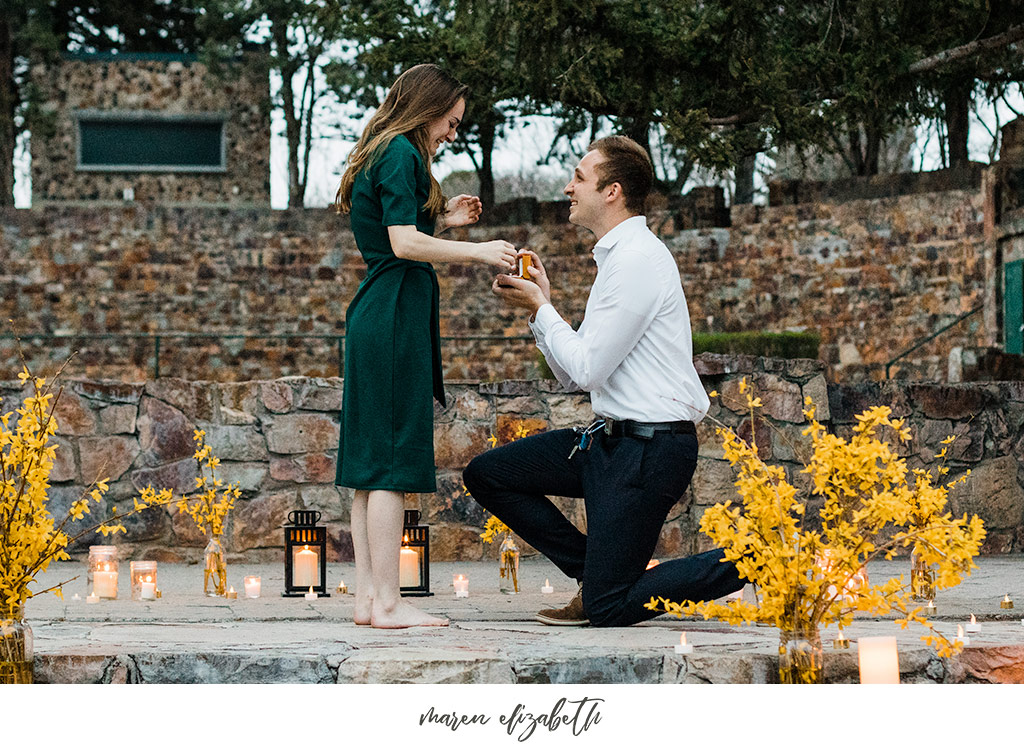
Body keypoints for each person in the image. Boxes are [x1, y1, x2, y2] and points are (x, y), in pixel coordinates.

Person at [463, 135, 744, 628]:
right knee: (490, 474)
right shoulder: (617, 258)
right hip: (608, 444)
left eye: (580, 178)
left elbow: (589, 370)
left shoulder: (637, 260)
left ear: (612, 191)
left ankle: (747, 561)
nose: (569, 187)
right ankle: (596, 574)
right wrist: (541, 309)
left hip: (649, 451)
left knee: (610, 609)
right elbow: (576, 372)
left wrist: (542, 308)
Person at [334, 64, 517, 629]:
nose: (452, 133)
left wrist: (443, 216)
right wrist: (482, 250)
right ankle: (389, 602)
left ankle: (369, 599)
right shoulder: (402, 153)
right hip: (393, 313)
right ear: (427, 107)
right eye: (451, 121)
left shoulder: (382, 151)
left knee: (370, 465)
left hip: (379, 310)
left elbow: (401, 226)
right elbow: (403, 242)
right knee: (389, 463)